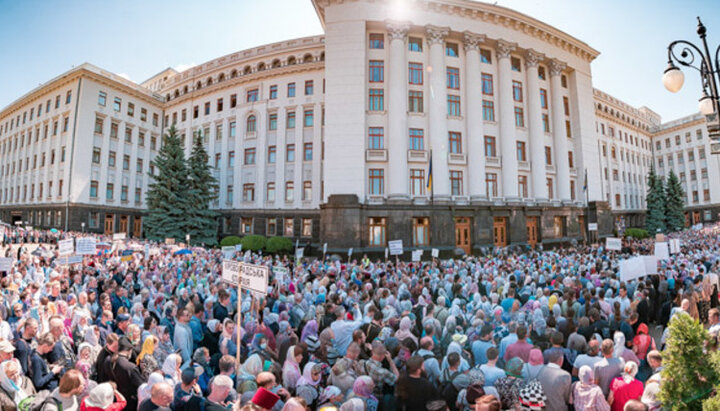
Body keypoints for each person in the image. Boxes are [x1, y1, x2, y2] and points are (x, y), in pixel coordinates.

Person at [109, 337, 144, 411]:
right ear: (129, 350)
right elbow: (142, 385)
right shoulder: (131, 367)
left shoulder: (109, 361)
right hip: (129, 404)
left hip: (116, 400)